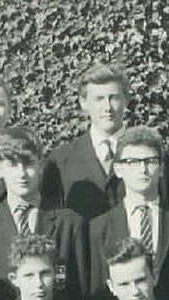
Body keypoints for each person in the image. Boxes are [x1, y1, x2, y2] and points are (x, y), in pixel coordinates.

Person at [0, 127, 90, 300]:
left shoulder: (69, 223)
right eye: (12, 165)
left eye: (29, 164)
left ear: (41, 165)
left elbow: (81, 289)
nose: (22, 174)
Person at [87, 125, 169, 300]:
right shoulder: (99, 227)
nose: (143, 169)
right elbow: (98, 292)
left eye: (150, 161)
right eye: (132, 162)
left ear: (162, 168)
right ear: (118, 169)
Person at [41, 63, 130, 221]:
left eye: (114, 98)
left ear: (126, 100)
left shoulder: (149, 155)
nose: (107, 107)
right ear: (83, 103)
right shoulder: (60, 161)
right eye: (99, 99)